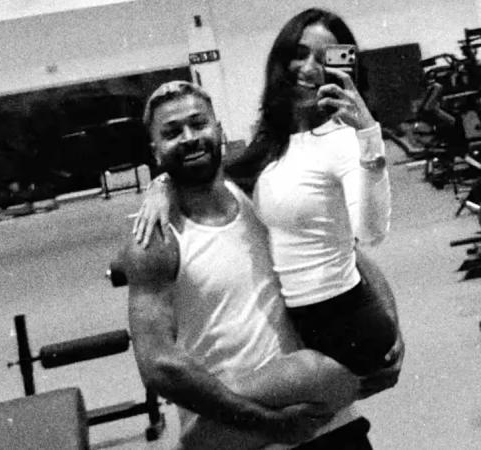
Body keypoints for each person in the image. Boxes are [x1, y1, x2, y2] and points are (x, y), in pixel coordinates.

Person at [119, 80, 402, 449]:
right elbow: (158, 365)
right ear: (155, 150)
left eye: (198, 124)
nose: (189, 138)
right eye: (172, 132)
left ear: (219, 131)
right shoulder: (156, 239)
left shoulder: (261, 192)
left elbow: (351, 259)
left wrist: (390, 333)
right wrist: (268, 424)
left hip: (326, 422)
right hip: (243, 432)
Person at [133, 8, 397, 377]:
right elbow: (217, 174)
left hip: (346, 322)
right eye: (299, 54)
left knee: (256, 401)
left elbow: (370, 234)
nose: (309, 68)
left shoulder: (343, 140)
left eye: (324, 59)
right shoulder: (273, 143)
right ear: (281, 59)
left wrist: (369, 137)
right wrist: (161, 183)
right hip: (305, 325)